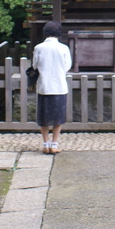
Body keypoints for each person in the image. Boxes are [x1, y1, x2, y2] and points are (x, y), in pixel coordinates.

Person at [32, 21, 72, 154]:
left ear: (45, 33)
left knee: (44, 117)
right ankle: (54, 144)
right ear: (58, 33)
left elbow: (35, 66)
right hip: (59, 85)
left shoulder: (39, 48)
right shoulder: (64, 48)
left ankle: (45, 144)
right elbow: (67, 66)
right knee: (58, 117)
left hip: (44, 86)